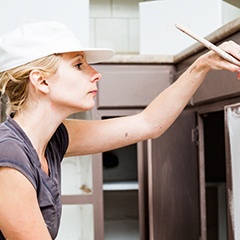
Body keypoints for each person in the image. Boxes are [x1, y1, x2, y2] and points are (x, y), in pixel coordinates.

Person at [0, 21, 239, 240]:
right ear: (41, 81)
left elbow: (148, 124)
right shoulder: (9, 160)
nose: (96, 74)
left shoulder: (52, 139)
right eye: (78, 65)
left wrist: (202, 65)